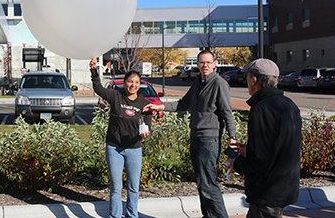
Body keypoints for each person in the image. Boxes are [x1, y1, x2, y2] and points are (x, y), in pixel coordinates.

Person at [143, 50, 236, 218]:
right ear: (198, 64)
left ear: (214, 64)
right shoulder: (197, 83)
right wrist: (159, 107)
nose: (205, 65)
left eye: (208, 62)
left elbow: (227, 112)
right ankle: (209, 215)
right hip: (196, 137)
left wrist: (232, 137)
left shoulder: (219, 84)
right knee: (202, 182)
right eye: (201, 62)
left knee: (208, 182)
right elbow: (183, 104)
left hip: (209, 139)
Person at [228, 58, 302, 218]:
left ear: (254, 80)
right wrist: (247, 149)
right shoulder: (289, 105)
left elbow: (260, 159)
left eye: (247, 77)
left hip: (267, 189)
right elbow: (279, 146)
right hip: (284, 185)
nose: (246, 81)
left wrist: (237, 164)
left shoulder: (262, 109)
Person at [90, 58, 152, 218]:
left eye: (136, 82)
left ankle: (132, 215)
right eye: (130, 82)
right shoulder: (116, 97)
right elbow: (98, 88)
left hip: (134, 150)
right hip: (114, 149)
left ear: (140, 85)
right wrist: (94, 71)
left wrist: (147, 131)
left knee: (133, 187)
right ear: (125, 83)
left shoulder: (144, 104)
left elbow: (147, 124)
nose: (133, 85)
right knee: (116, 188)